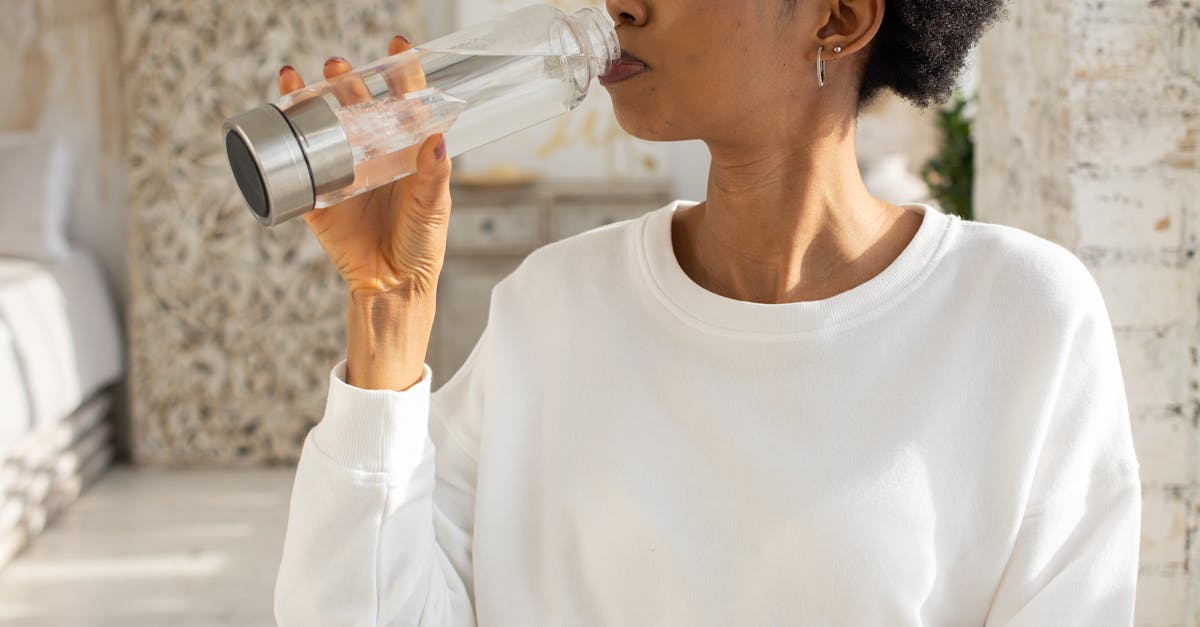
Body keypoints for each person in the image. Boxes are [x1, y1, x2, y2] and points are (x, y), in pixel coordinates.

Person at [273, 0, 1143, 624]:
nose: (621, 7)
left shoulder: (1022, 321)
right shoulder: (554, 306)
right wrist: (386, 315)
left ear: (838, 19)